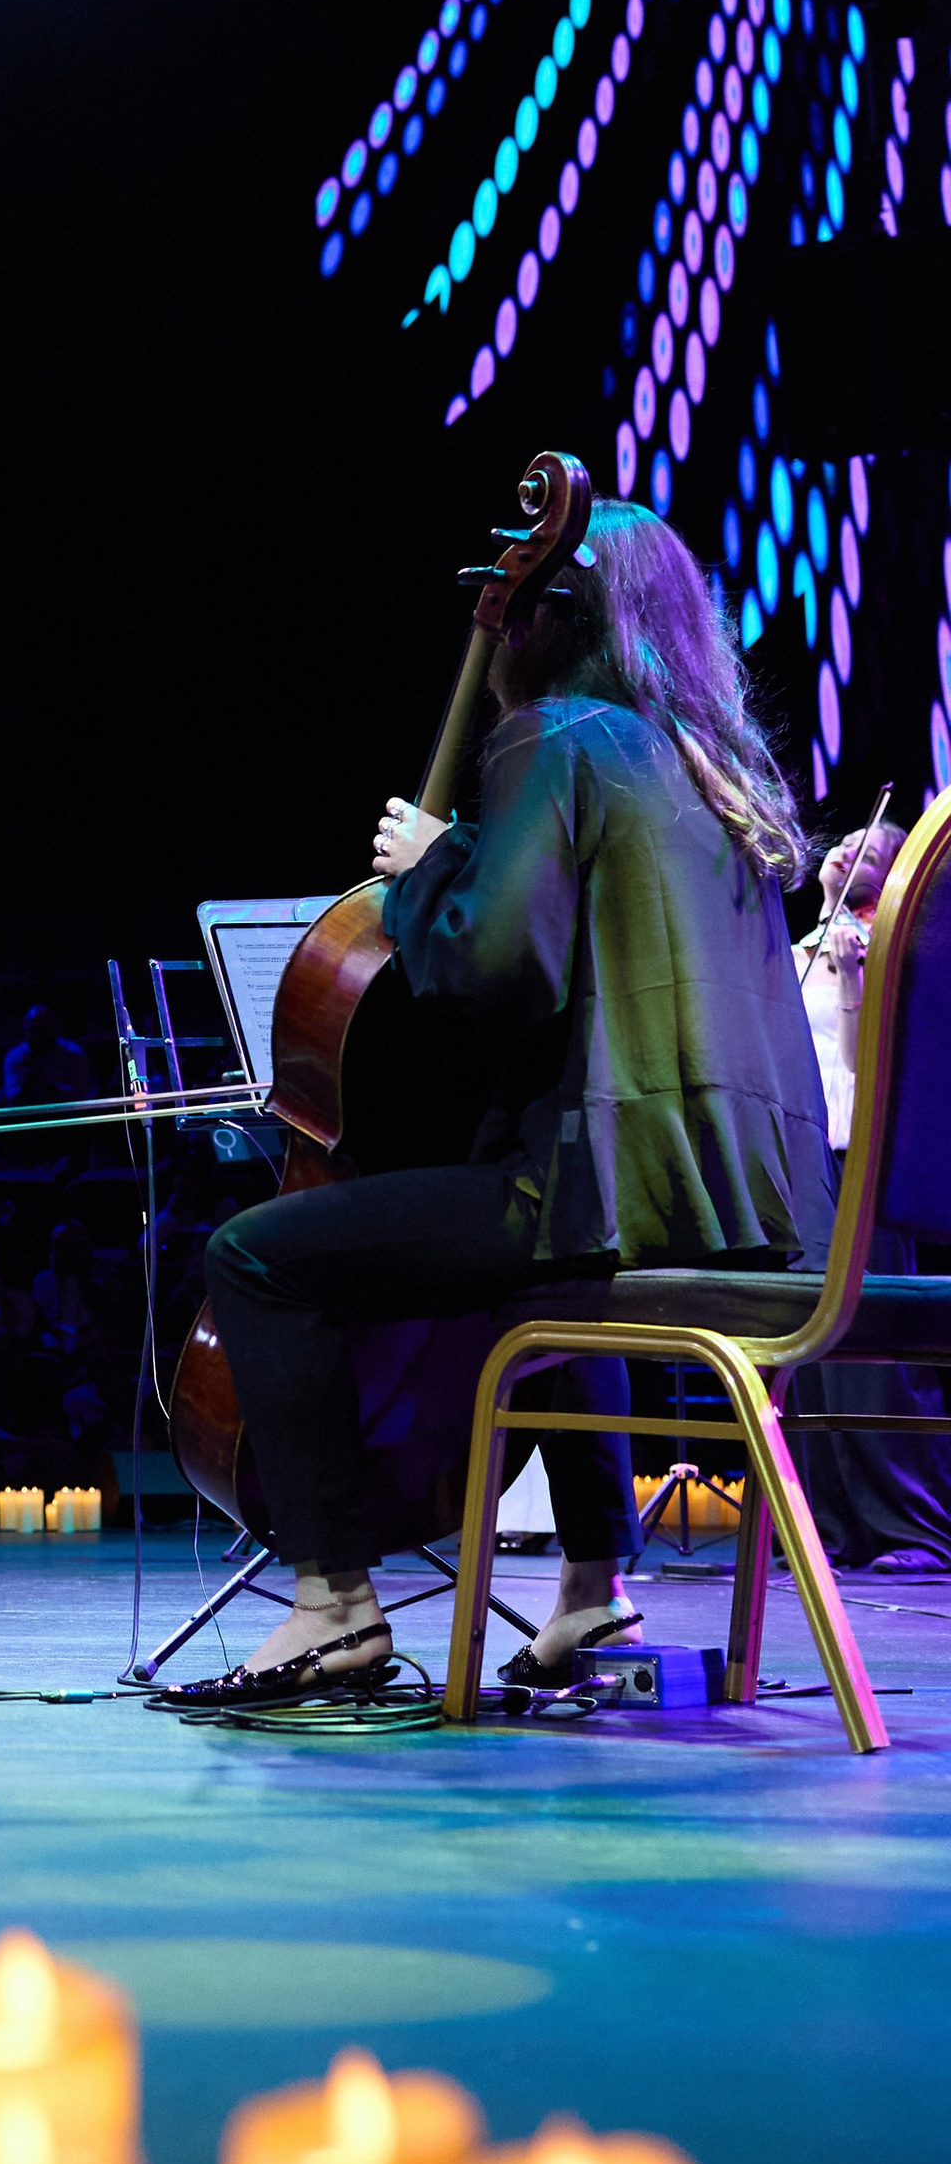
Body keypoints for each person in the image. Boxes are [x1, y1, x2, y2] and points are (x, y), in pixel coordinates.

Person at [188, 500, 835, 1700]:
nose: (497, 629)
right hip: (761, 1219)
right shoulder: (716, 771)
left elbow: (498, 972)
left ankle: (332, 1602)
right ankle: (592, 1590)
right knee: (540, 1266)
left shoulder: (556, 738)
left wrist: (429, 860)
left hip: (611, 1198)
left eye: (514, 608)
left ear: (551, 615)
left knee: (257, 1258)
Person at [786, 813, 951, 1568]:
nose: (851, 847)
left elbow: (865, 1066)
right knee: (813, 1353)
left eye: (872, 851)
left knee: (874, 1354)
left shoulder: (881, 952)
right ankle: (831, 1527)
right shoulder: (795, 951)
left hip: (864, 1157)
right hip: (803, 1158)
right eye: (848, 840)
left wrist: (855, 978)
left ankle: (910, 1529)